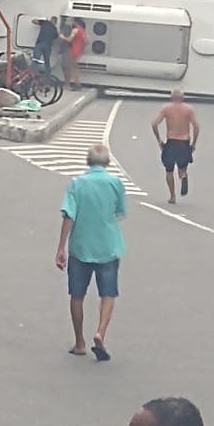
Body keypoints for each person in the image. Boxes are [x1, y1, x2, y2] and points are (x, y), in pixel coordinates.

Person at [55, 144, 126, 361]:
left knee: (77, 296)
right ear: (107, 163)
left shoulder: (77, 184)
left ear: (88, 162)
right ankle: (100, 333)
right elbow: (119, 212)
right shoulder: (115, 183)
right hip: (108, 246)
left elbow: (69, 216)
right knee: (108, 293)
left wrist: (60, 247)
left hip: (80, 247)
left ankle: (79, 342)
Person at [152, 89, 199, 205]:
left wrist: (159, 140)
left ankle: (172, 196)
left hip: (171, 141)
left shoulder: (166, 109)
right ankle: (183, 177)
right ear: (182, 98)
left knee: (169, 170)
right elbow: (196, 126)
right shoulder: (188, 110)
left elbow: (154, 124)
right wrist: (194, 143)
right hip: (184, 142)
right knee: (182, 168)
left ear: (171, 97)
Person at [62, 18, 87, 90]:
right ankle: (78, 84)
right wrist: (81, 48)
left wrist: (62, 37)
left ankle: (76, 84)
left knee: (71, 68)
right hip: (78, 51)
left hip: (72, 50)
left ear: (76, 22)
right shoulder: (83, 31)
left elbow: (69, 39)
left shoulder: (75, 30)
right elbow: (86, 41)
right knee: (75, 68)